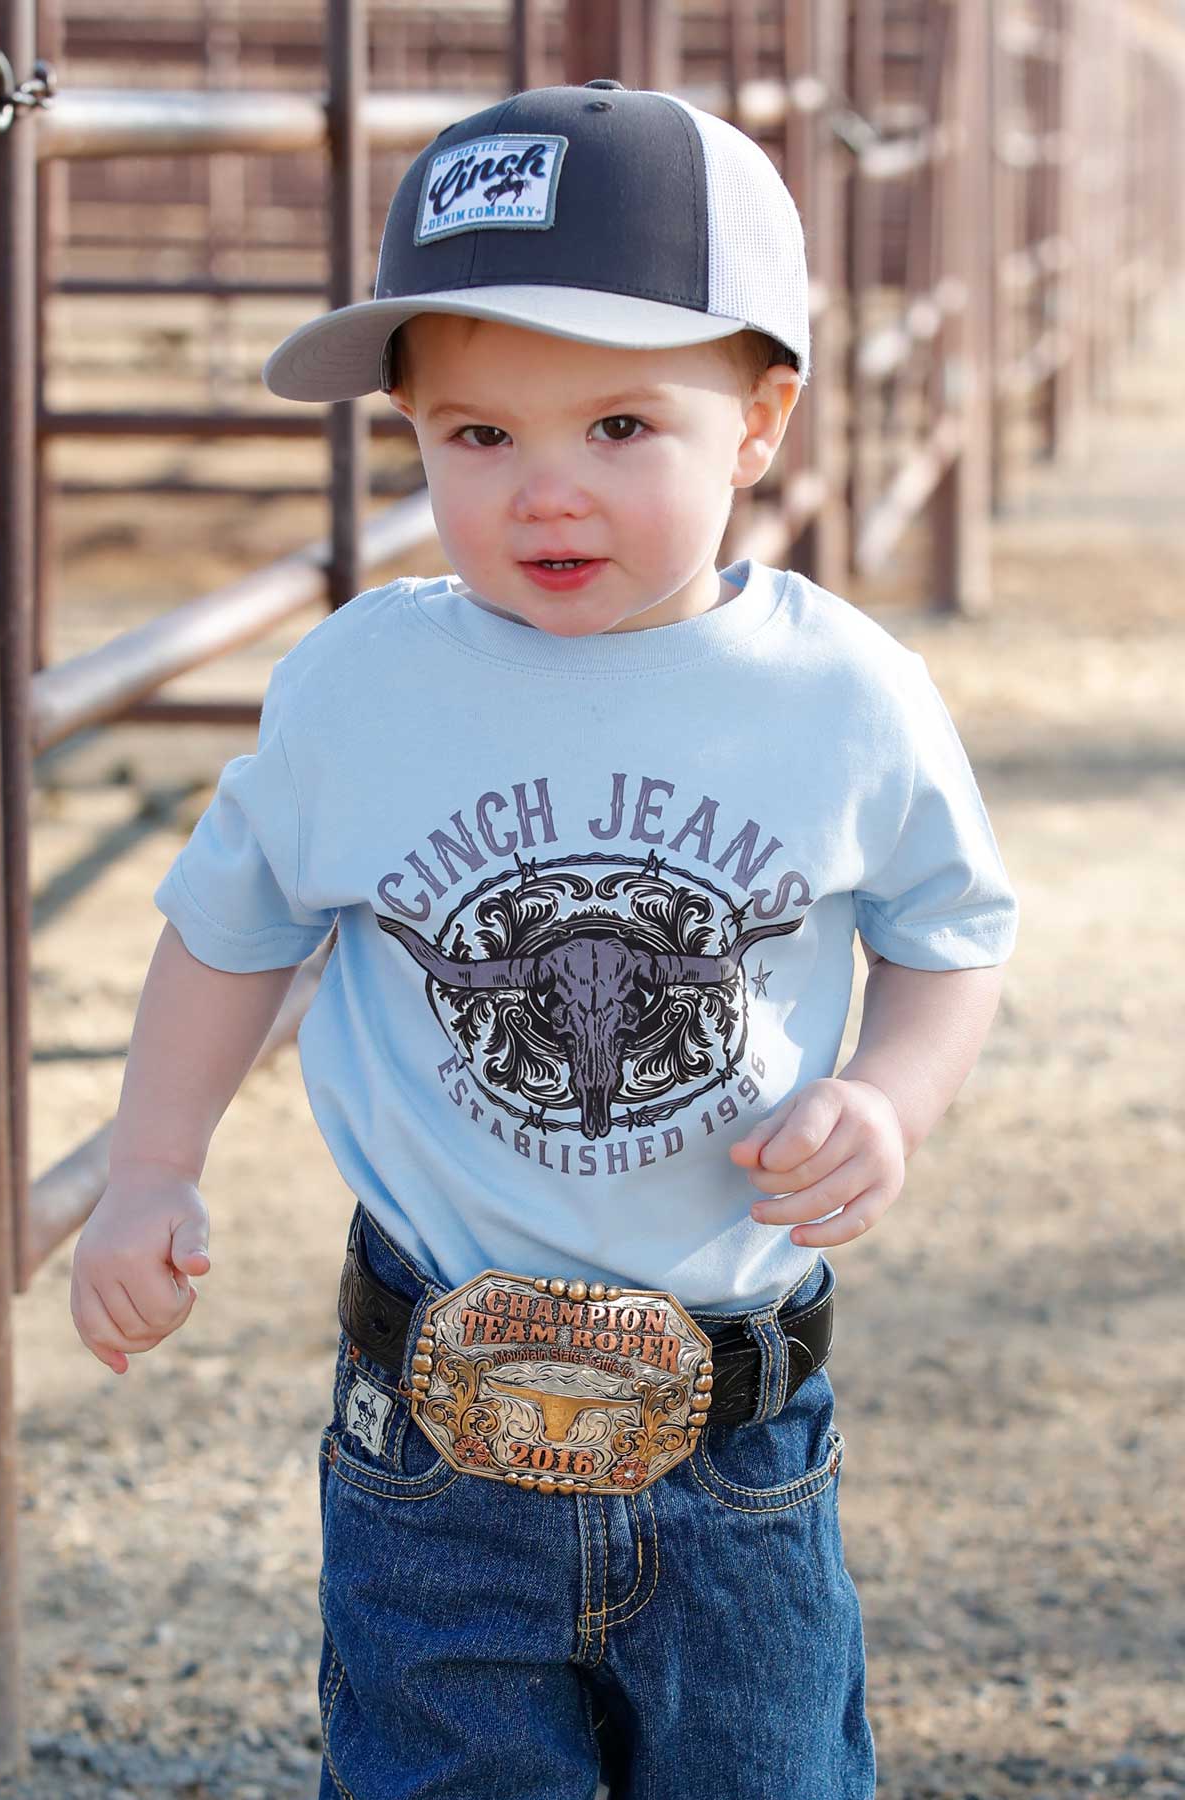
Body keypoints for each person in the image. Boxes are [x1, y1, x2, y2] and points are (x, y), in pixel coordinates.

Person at [70, 80, 1018, 1799]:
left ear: (760, 419)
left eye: (622, 428)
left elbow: (953, 937)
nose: (544, 495)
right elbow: (229, 929)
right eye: (478, 437)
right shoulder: (361, 685)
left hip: (734, 1436)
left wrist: (889, 1097)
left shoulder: (842, 696)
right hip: (433, 1432)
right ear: (413, 430)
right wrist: (150, 1168)